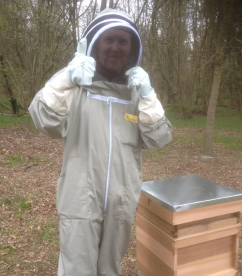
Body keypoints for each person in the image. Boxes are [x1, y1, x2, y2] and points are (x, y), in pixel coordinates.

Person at [29, 8, 172, 276]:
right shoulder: (76, 89)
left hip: (122, 201)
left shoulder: (136, 94)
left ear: (132, 48)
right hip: (79, 199)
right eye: (109, 39)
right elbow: (44, 119)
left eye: (123, 41)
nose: (115, 47)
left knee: (110, 269)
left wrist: (149, 95)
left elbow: (158, 137)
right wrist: (66, 78)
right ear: (95, 43)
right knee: (77, 270)